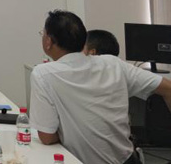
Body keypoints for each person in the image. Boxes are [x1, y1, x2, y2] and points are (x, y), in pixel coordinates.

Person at [31, 10, 171, 164]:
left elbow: (47, 137)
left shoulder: (43, 74)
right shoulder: (113, 63)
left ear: (48, 41)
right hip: (127, 160)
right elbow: (168, 88)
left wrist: (69, 132)